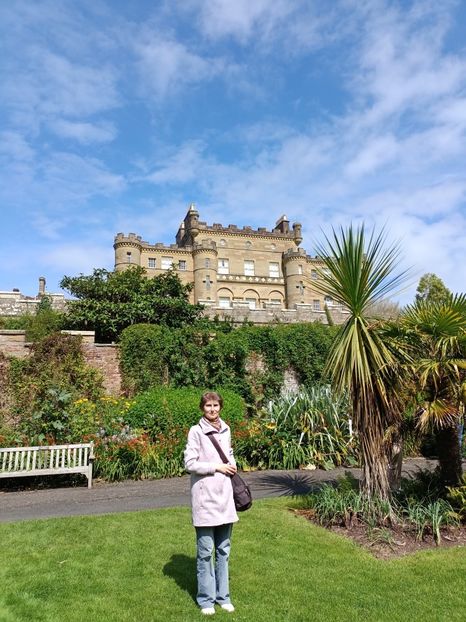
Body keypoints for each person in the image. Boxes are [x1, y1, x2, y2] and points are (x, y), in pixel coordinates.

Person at [184, 391, 238, 615]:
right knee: (206, 551)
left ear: (221, 407)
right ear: (202, 408)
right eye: (208, 406)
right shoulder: (196, 432)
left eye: (216, 405)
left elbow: (229, 453)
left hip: (225, 498)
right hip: (205, 500)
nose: (212, 410)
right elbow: (190, 463)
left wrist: (232, 463)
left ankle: (223, 596)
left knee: (224, 550)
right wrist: (216, 467)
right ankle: (206, 599)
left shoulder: (226, 430)